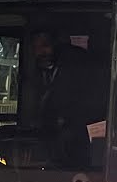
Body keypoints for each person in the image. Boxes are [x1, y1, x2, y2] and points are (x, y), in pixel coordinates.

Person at [24, 29, 104, 168]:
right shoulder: (41, 72)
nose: (40, 52)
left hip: (77, 146)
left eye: (44, 46)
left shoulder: (77, 67)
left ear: (56, 44)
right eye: (36, 48)